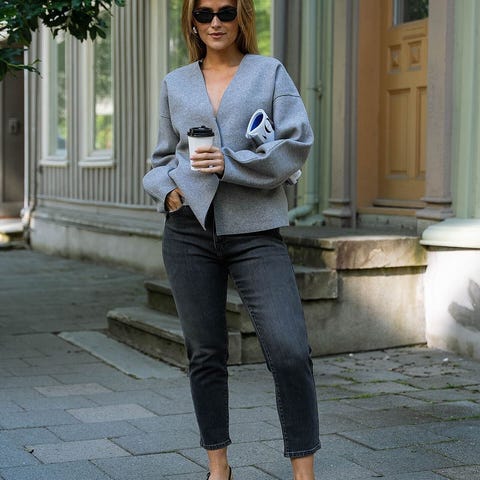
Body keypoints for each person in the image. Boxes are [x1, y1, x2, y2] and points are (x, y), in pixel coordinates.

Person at [143, 1, 320, 478]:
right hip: (188, 231)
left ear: (241, 16)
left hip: (256, 231)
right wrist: (168, 193)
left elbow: (296, 143)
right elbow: (161, 159)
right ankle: (218, 468)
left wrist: (231, 162)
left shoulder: (269, 72)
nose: (215, 22)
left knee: (290, 351)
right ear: (193, 22)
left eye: (225, 11)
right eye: (204, 14)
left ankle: (304, 473)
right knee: (205, 354)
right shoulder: (175, 83)